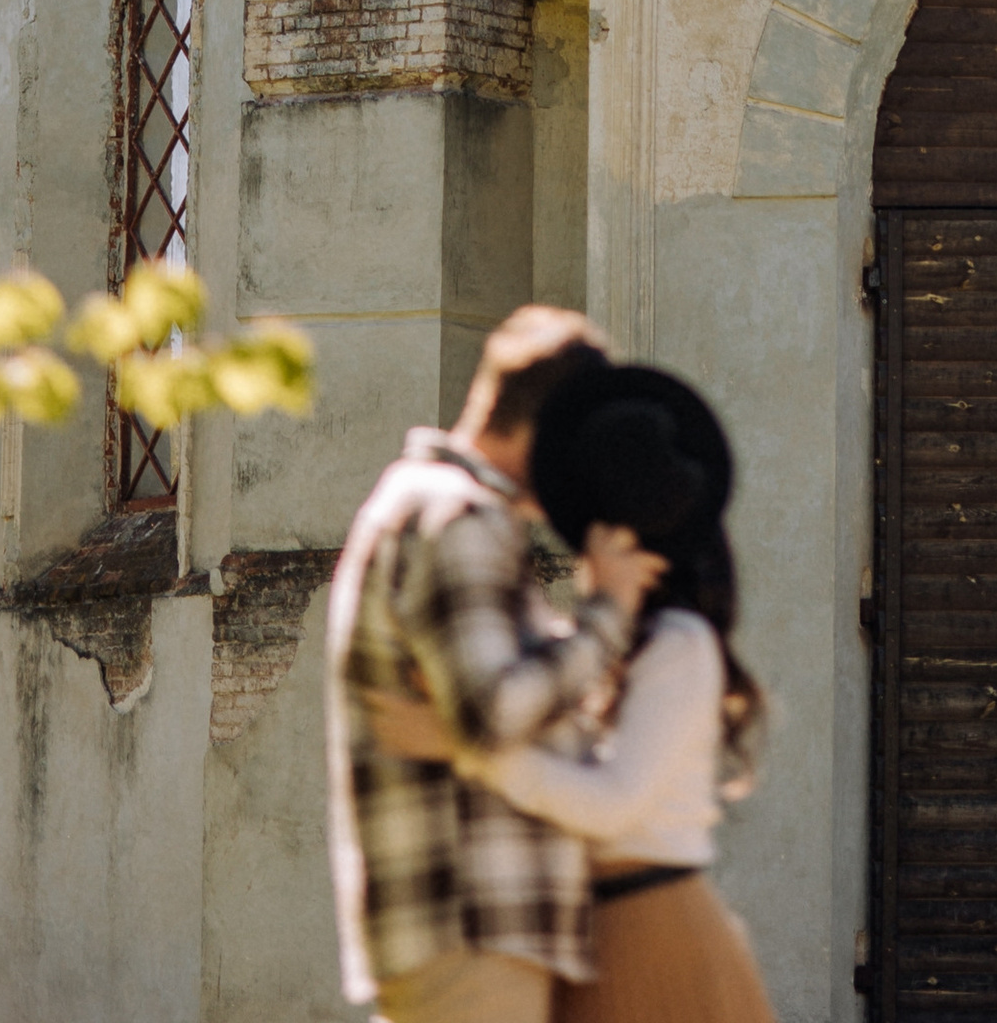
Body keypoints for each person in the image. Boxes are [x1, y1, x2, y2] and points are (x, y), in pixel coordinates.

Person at [369, 360, 776, 1023]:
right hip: (599, 933)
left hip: (652, 929)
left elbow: (613, 805)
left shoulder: (680, 646)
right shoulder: (610, 645)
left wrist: (470, 748)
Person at [327, 305, 665, 1023]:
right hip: (473, 920)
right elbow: (494, 711)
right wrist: (608, 614)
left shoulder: (427, 505)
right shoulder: (461, 520)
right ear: (550, 432)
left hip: (458, 924)